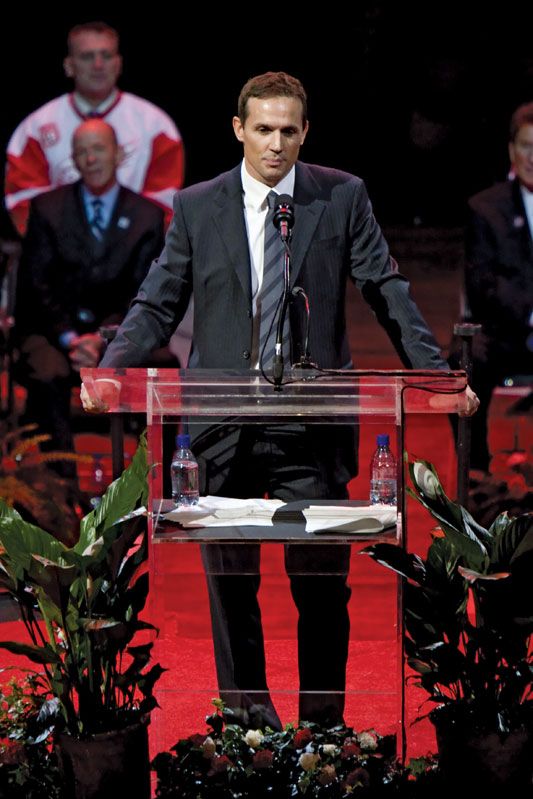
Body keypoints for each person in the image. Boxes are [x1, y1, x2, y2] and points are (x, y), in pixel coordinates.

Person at [85, 71, 479, 728]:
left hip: (311, 424)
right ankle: (246, 729)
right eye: (262, 129)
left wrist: (435, 377)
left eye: (287, 130)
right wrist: (109, 370)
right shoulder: (197, 205)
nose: (275, 144)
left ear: (304, 131)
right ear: (238, 129)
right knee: (230, 583)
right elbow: (157, 303)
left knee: (320, 586)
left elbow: (386, 289)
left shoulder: (339, 197)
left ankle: (323, 732)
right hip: (221, 424)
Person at [15, 118, 165, 456]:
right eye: (81, 152)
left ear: (118, 154)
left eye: (98, 149)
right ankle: (63, 495)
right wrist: (71, 338)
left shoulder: (147, 217)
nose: (91, 159)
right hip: (55, 335)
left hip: (120, 333)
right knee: (46, 372)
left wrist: (103, 340)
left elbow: (145, 291)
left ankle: (151, 483)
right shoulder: (46, 209)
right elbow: (36, 286)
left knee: (162, 370)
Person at [5, 20, 184, 236]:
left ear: (118, 64)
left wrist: (123, 246)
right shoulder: (34, 128)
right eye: (87, 56)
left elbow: (164, 204)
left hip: (136, 256)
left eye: (106, 56)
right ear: (69, 65)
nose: (98, 65)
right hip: (59, 258)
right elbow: (24, 202)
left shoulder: (156, 126)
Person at [463, 101, 533, 472]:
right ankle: (476, 476)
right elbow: (483, 288)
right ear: (512, 150)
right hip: (508, 336)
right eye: (526, 146)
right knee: (466, 364)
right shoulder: (486, 208)